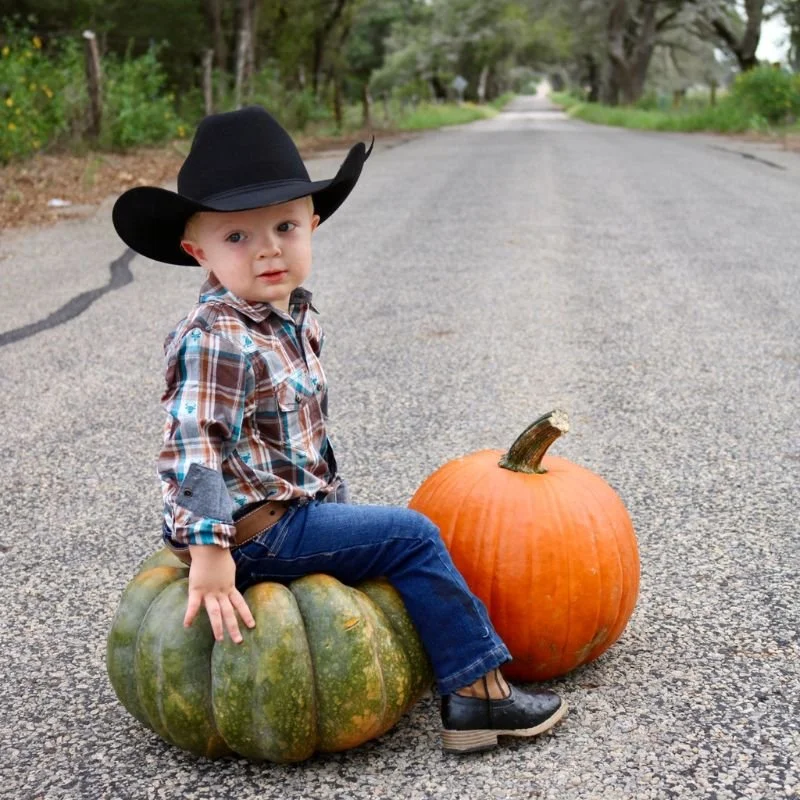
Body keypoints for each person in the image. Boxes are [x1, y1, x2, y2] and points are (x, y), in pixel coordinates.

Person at [112, 105, 567, 754]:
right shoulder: (214, 337)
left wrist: (330, 495)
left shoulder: (289, 314)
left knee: (365, 527)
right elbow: (194, 452)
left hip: (285, 509)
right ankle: (478, 695)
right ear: (198, 252)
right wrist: (211, 553)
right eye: (236, 237)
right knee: (413, 537)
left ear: (312, 225)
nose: (267, 246)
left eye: (285, 225)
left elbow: (294, 436)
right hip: (250, 536)